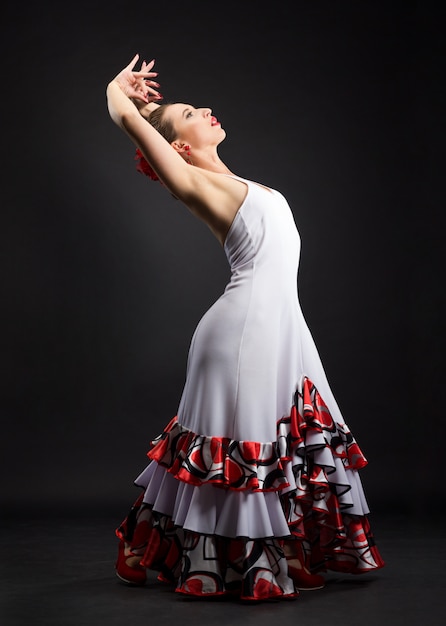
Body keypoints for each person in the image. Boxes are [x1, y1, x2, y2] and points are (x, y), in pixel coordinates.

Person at [106, 54, 385, 603]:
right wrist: (120, 90)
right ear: (176, 148)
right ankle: (165, 551)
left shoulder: (234, 180)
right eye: (190, 111)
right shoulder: (191, 181)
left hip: (283, 326)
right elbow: (124, 116)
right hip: (242, 335)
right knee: (238, 448)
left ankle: (283, 548)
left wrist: (153, 107)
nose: (206, 109)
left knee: (283, 444)